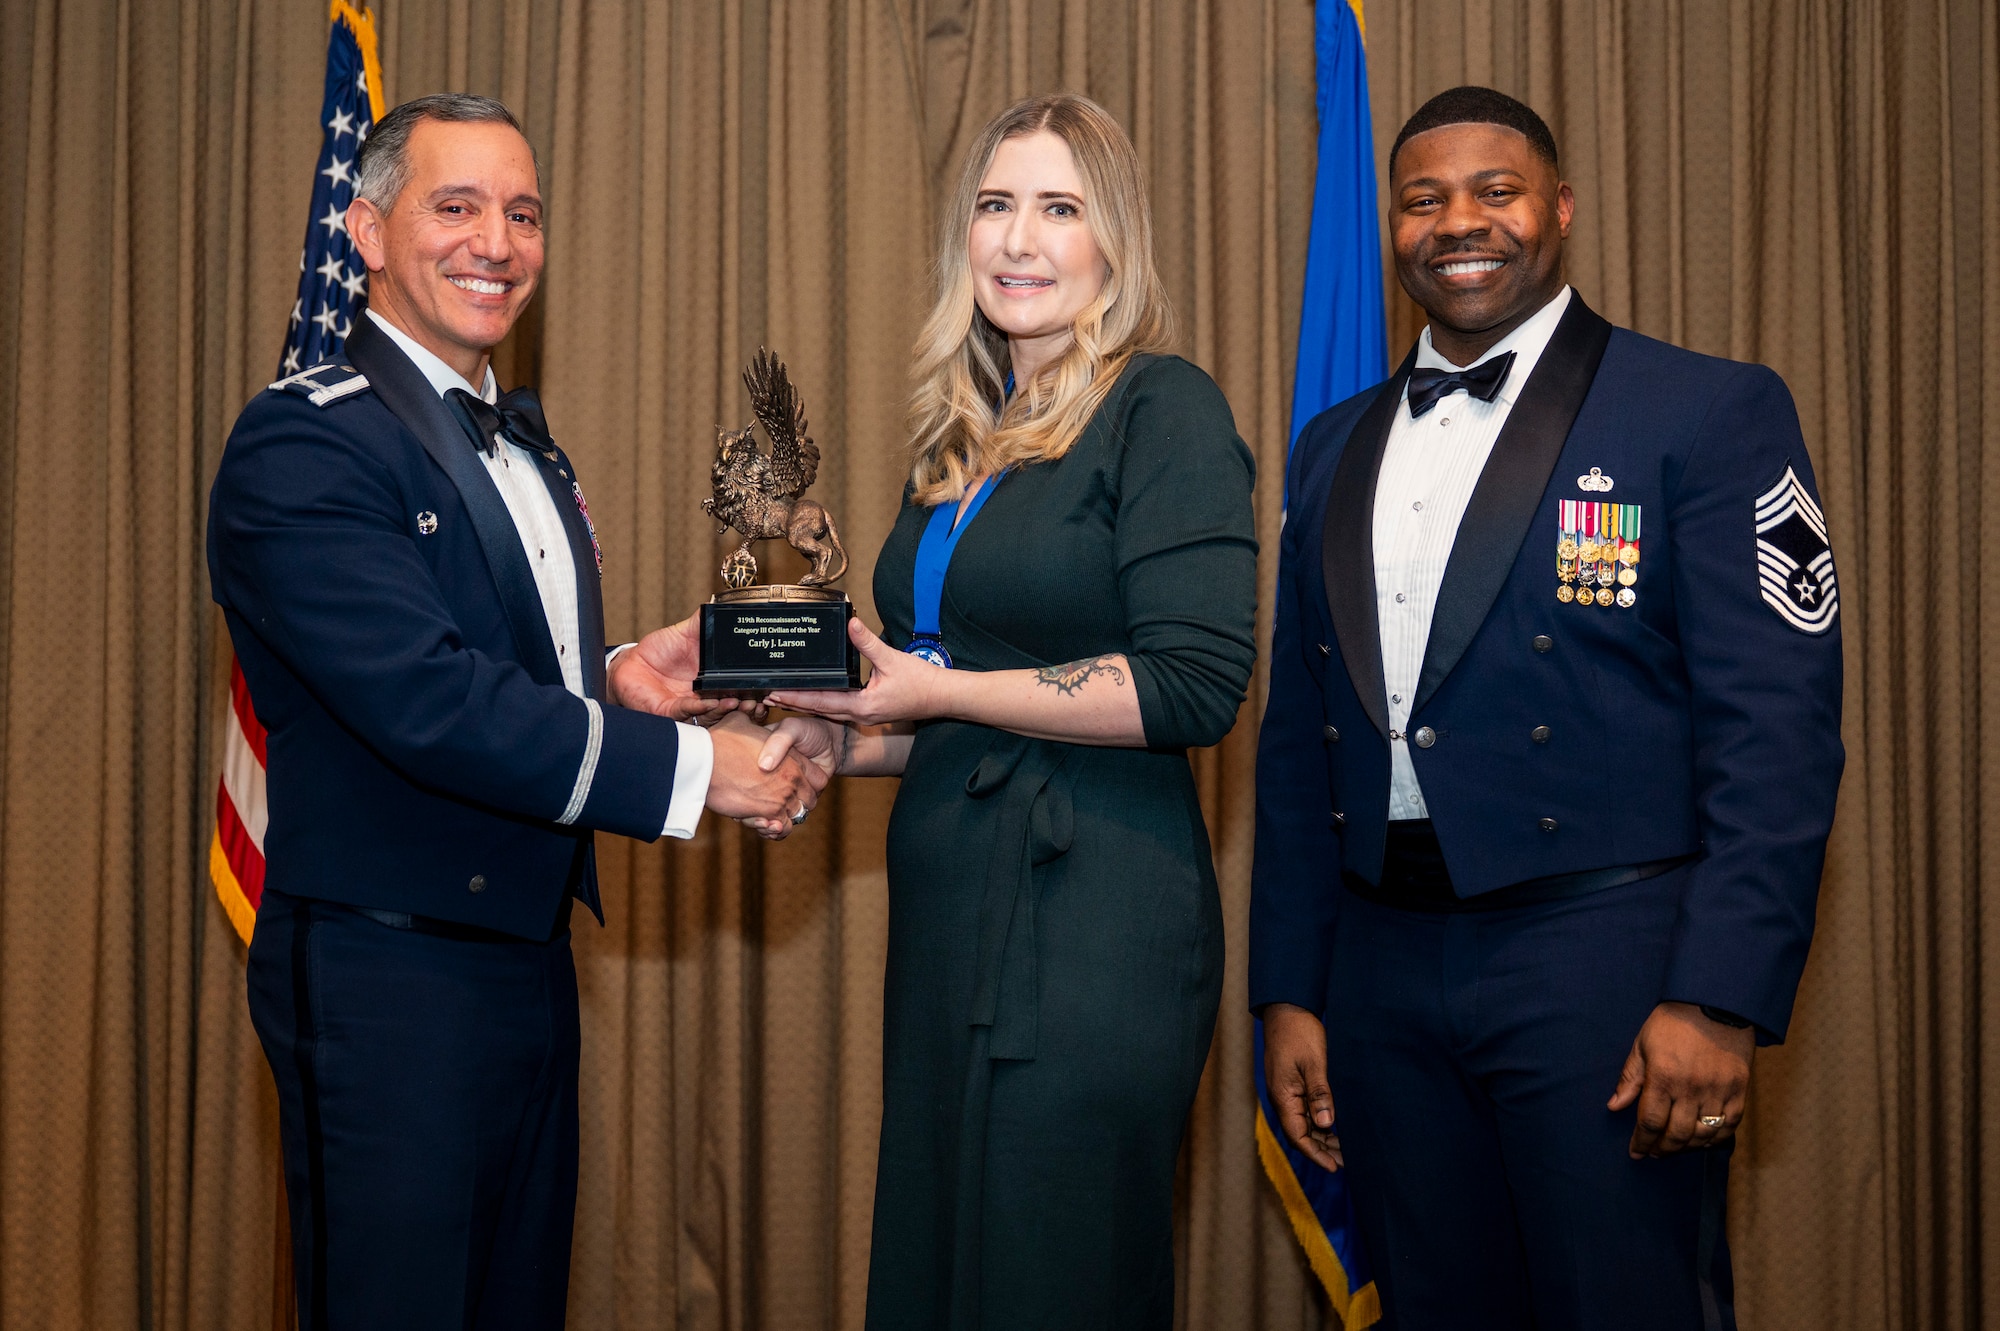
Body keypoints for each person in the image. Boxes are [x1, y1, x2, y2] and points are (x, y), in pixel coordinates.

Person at [206, 93, 822, 1330]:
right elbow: (429, 698)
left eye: (523, 213)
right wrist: (697, 770)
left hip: (530, 968)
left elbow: (499, 668)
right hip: (388, 975)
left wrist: (619, 673)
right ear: (367, 233)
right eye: (457, 206)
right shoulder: (301, 444)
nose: (497, 241)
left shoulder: (530, 447)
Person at [1250, 85, 1844, 1329]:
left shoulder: (1704, 410)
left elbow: (1775, 732)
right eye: (1421, 200)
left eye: (1494, 191)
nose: (1456, 222)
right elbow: (1300, 738)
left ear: (1559, 208)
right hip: (1380, 971)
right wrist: (1291, 988)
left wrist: (1716, 994)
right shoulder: (1330, 444)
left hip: (1606, 966)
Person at [756, 94, 1257, 1328]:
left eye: (1058, 208)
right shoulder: (956, 442)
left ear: (1112, 241)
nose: (1018, 239)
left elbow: (1193, 682)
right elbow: (950, 697)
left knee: (1047, 1275)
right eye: (993, 205)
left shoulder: (1162, 406)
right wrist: (835, 739)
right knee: (942, 1269)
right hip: (949, 906)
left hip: (1094, 922)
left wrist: (932, 689)